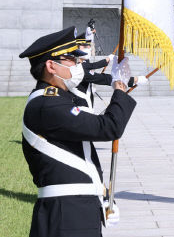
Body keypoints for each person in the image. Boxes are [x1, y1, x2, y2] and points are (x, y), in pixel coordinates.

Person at [19, 27, 137, 236]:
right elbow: (108, 128)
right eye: (71, 59)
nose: (78, 64)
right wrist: (119, 89)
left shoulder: (60, 100)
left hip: (77, 209)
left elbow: (81, 156)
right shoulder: (47, 105)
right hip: (65, 215)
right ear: (51, 66)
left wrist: (103, 195)